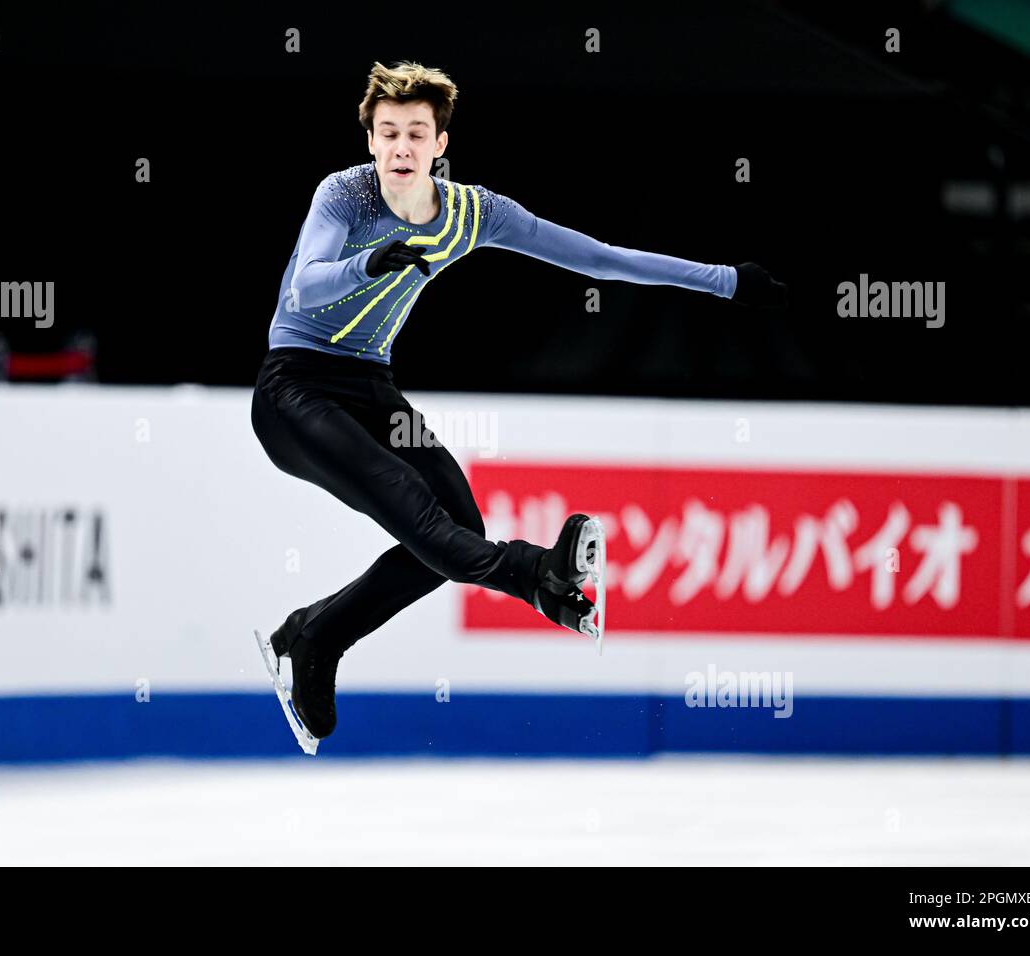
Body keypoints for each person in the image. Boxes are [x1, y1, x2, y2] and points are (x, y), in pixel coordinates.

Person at [253, 60, 787, 741]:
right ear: (370, 140)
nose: (401, 149)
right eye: (388, 133)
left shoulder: (473, 213)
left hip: (367, 387)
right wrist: (368, 262)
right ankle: (537, 575)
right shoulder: (345, 197)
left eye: (417, 134)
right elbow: (304, 290)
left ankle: (314, 637)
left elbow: (596, 257)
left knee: (454, 527)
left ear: (440, 144)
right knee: (414, 508)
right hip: (292, 390)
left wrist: (724, 283)